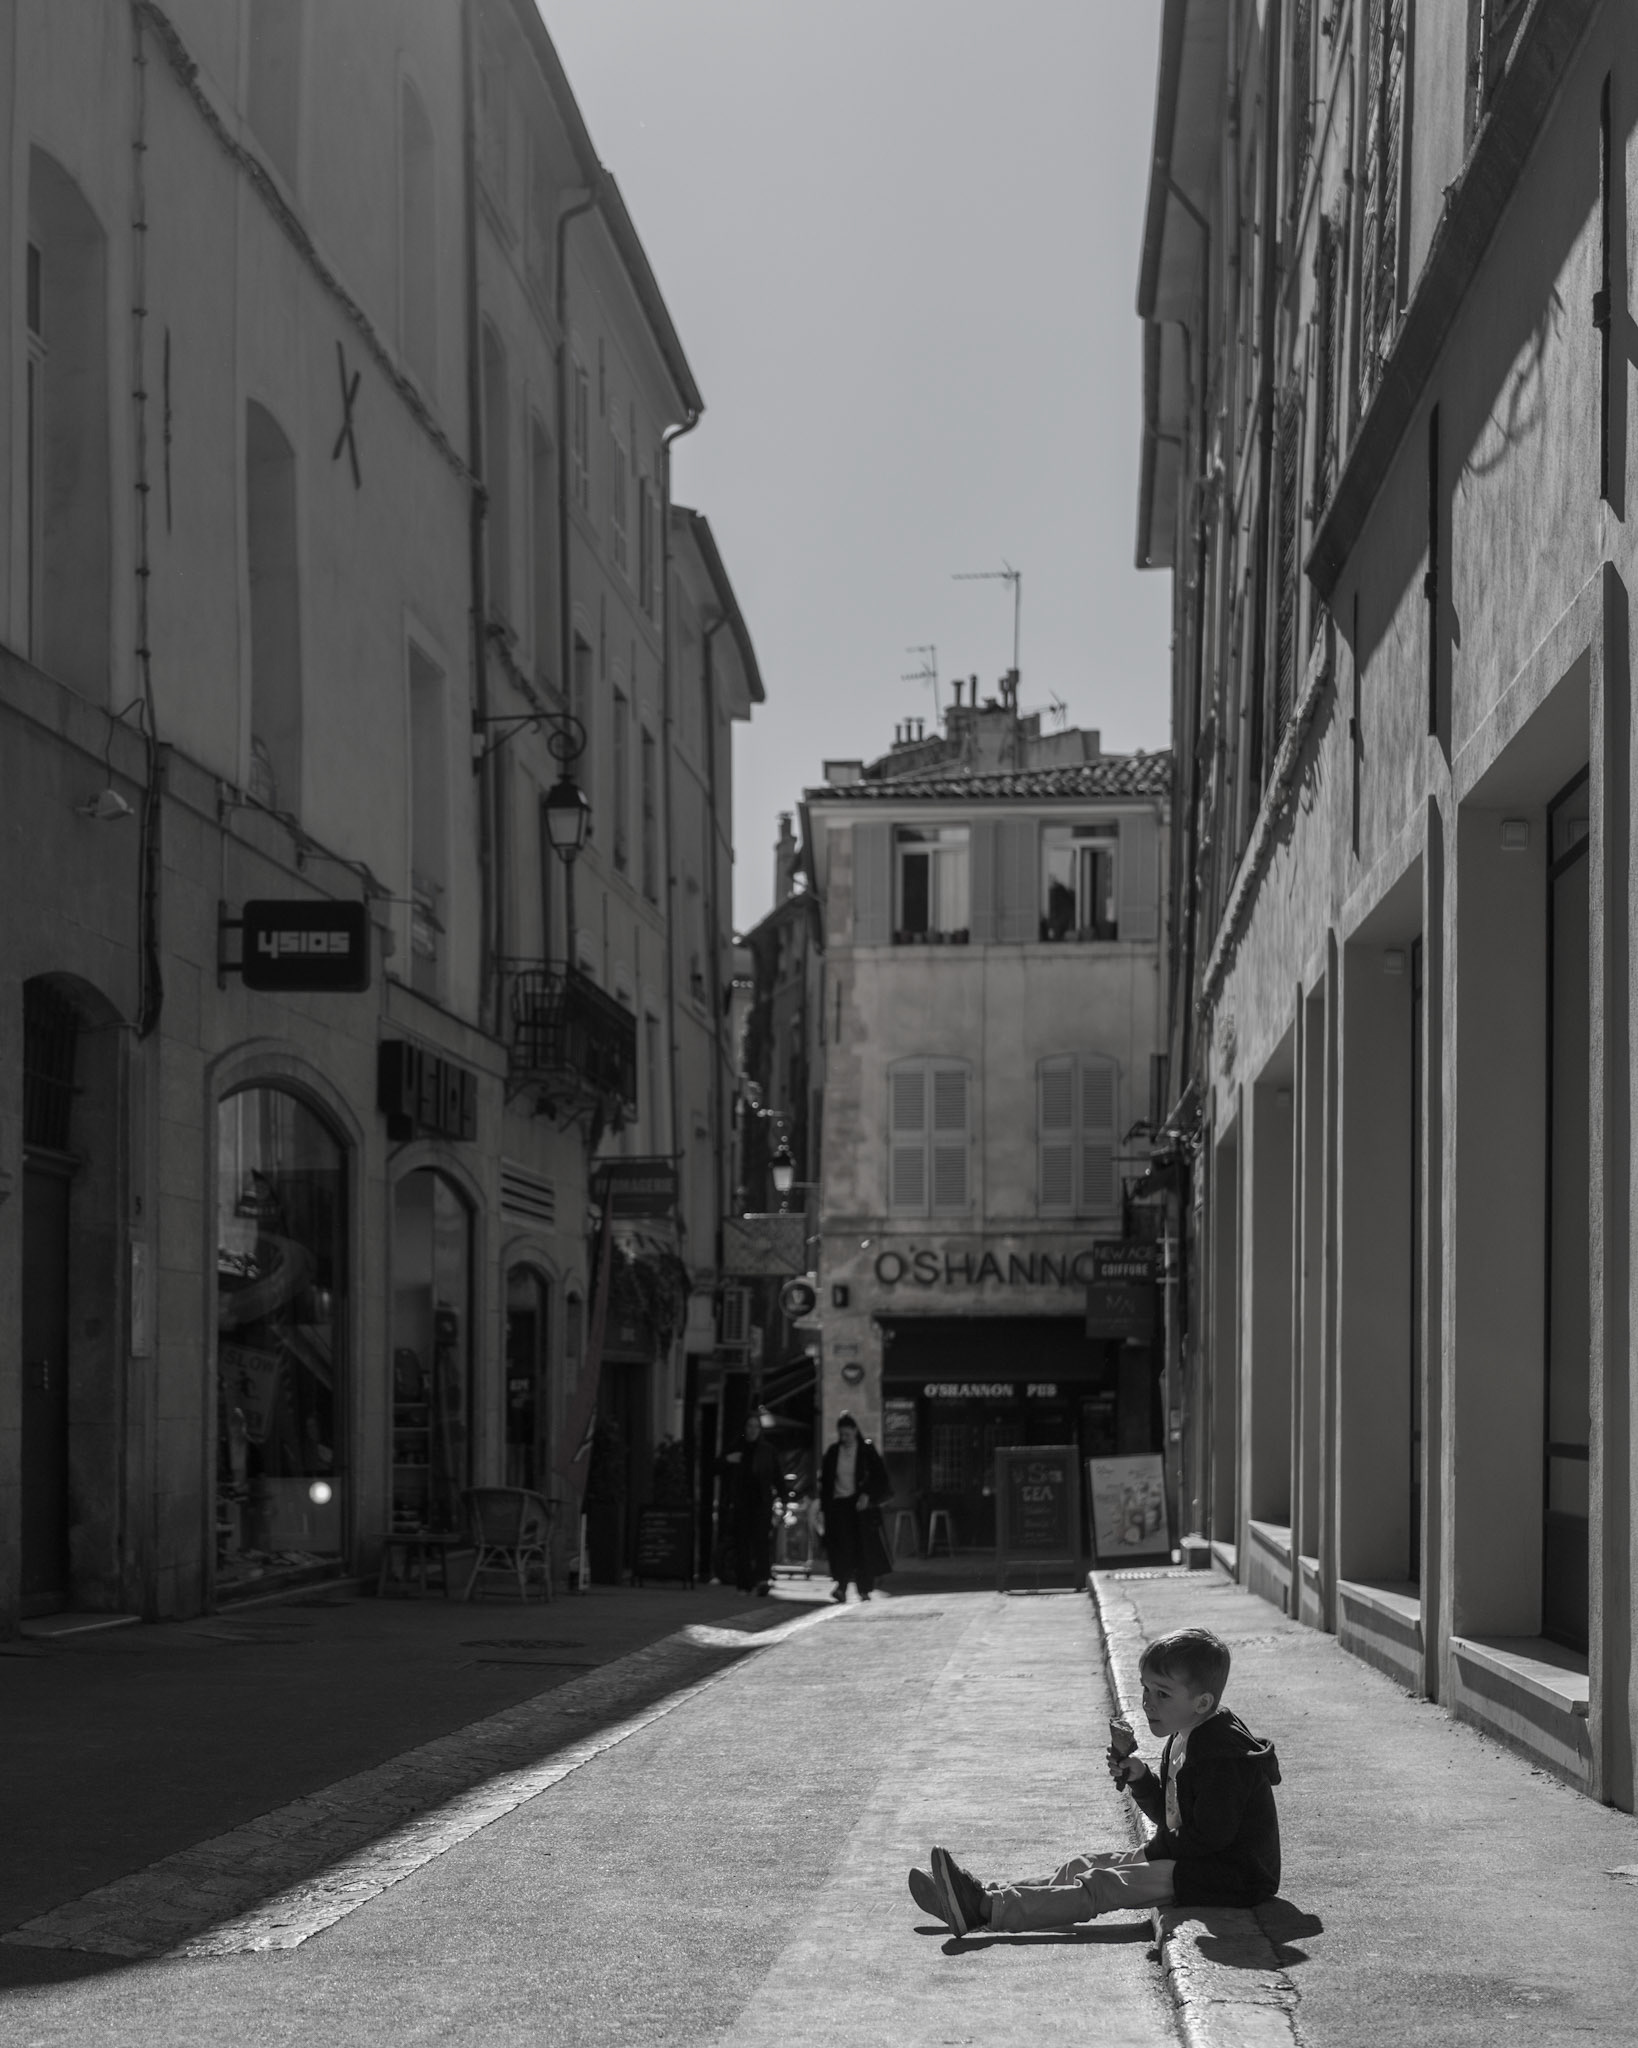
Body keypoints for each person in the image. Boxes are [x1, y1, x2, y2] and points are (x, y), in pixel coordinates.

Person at [910, 1626, 1280, 1935]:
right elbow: (1172, 1818)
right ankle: (978, 1895)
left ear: (1201, 1702)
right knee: (1079, 1866)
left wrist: (1147, 1857)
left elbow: (1211, 1837)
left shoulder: (1220, 1756)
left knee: (1102, 1886)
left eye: (1162, 1693)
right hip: (1195, 1858)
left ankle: (985, 1909)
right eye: (1146, 1689)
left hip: (1229, 1877)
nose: (1148, 1702)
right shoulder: (1184, 1734)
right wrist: (1142, 1779)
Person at [818, 1410, 892, 1604]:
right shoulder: (834, 1452)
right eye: (841, 1435)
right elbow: (825, 1482)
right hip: (839, 1506)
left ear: (855, 1431)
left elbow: (880, 1478)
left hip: (860, 1507)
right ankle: (841, 1587)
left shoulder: (866, 1451)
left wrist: (867, 1494)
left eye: (848, 1434)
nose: (844, 1438)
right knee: (842, 1547)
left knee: (862, 1548)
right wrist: (825, 1508)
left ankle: (864, 1589)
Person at [722, 1410, 787, 1595]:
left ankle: (761, 1579)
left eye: (755, 1427)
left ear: (759, 1429)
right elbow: (717, 1466)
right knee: (742, 1543)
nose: (752, 1430)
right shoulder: (736, 1447)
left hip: (761, 1503)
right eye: (749, 1426)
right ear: (745, 1428)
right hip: (741, 1502)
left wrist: (783, 1500)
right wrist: (728, 1460)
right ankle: (744, 1583)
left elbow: (777, 1477)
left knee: (761, 1542)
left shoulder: (767, 1450)